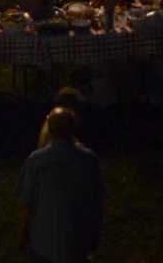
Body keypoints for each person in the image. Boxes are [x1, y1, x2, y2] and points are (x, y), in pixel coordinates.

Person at [17, 106, 103, 263]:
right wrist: (93, 236)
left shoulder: (36, 161)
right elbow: (96, 202)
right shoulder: (89, 159)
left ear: (49, 128)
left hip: (43, 244)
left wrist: (23, 236)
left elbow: (26, 203)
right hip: (77, 242)